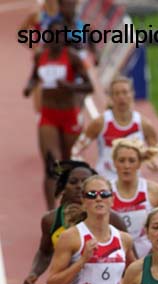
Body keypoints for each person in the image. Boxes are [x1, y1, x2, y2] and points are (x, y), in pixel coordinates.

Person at [23, 19, 93, 208]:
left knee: (68, 163)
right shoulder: (40, 57)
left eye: (60, 34)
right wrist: (29, 87)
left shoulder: (71, 57)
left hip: (69, 113)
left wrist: (69, 86)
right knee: (51, 164)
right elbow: (34, 77)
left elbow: (89, 86)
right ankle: (51, 212)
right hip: (49, 115)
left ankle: (73, 206)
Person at [72, 76, 158, 181]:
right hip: (105, 182)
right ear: (111, 97)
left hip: (133, 182)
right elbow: (76, 149)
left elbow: (157, 154)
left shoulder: (143, 124)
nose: (121, 97)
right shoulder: (100, 123)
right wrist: (82, 168)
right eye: (117, 93)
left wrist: (156, 163)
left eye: (125, 92)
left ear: (132, 94)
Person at [111, 137, 158, 258]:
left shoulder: (156, 191)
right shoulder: (106, 192)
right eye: (122, 160)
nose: (126, 166)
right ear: (114, 162)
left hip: (149, 257)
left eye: (131, 161)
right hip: (117, 256)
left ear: (139, 163)